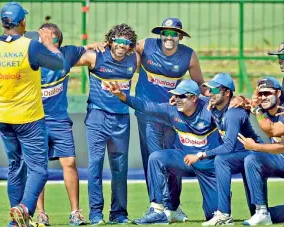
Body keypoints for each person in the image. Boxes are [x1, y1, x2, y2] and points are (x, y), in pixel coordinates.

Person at [0, 2, 65, 227]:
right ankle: (24, 208)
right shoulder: (31, 46)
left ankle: (17, 222)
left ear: (2, 23)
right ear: (23, 23)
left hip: (4, 117)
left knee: (15, 166)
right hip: (28, 118)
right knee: (39, 169)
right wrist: (49, 44)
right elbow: (59, 63)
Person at [107, 79, 219, 224]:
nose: (176, 99)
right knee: (156, 157)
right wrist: (122, 96)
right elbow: (146, 106)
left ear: (194, 98)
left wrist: (238, 99)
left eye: (181, 96)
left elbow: (225, 94)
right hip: (185, 160)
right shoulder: (171, 108)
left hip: (208, 164)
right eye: (175, 95)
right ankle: (158, 210)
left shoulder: (210, 107)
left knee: (213, 215)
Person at [23, 23, 101, 226]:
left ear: (59, 41)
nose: (45, 41)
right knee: (37, 168)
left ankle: (75, 212)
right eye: (42, 38)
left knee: (70, 163)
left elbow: (87, 50)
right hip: (34, 121)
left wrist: (103, 45)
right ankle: (40, 214)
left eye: (51, 38)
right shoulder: (29, 56)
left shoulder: (66, 55)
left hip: (59, 121)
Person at [75, 23, 139, 225]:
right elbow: (66, 57)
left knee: (120, 167)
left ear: (130, 46)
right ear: (110, 41)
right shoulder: (95, 56)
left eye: (126, 42)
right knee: (95, 165)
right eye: (118, 40)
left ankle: (119, 213)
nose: (121, 45)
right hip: (97, 116)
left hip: (121, 118)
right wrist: (89, 45)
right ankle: (95, 213)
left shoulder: (134, 59)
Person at [134, 18, 206, 194]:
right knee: (153, 158)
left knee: (173, 159)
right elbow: (122, 50)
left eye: (174, 34)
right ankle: (157, 205)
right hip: (148, 113)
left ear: (180, 37)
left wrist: (225, 95)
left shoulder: (189, 55)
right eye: (165, 33)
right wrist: (102, 44)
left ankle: (173, 207)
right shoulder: (145, 45)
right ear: (160, 34)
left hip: (174, 114)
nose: (169, 37)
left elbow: (200, 85)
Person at [179, 73, 259, 226]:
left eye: (215, 91)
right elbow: (192, 98)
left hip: (253, 154)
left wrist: (201, 154)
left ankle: (224, 214)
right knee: (257, 213)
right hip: (239, 155)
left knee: (221, 160)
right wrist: (174, 100)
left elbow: (228, 146)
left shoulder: (233, 113)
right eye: (209, 90)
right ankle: (226, 213)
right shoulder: (215, 107)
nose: (210, 94)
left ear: (227, 92)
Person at [237, 77, 284, 226]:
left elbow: (277, 138)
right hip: (279, 161)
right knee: (251, 159)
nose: (263, 97)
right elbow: (246, 105)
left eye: (267, 93)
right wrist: (239, 101)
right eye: (260, 94)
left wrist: (255, 146)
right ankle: (261, 211)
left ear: (277, 93)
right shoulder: (263, 111)